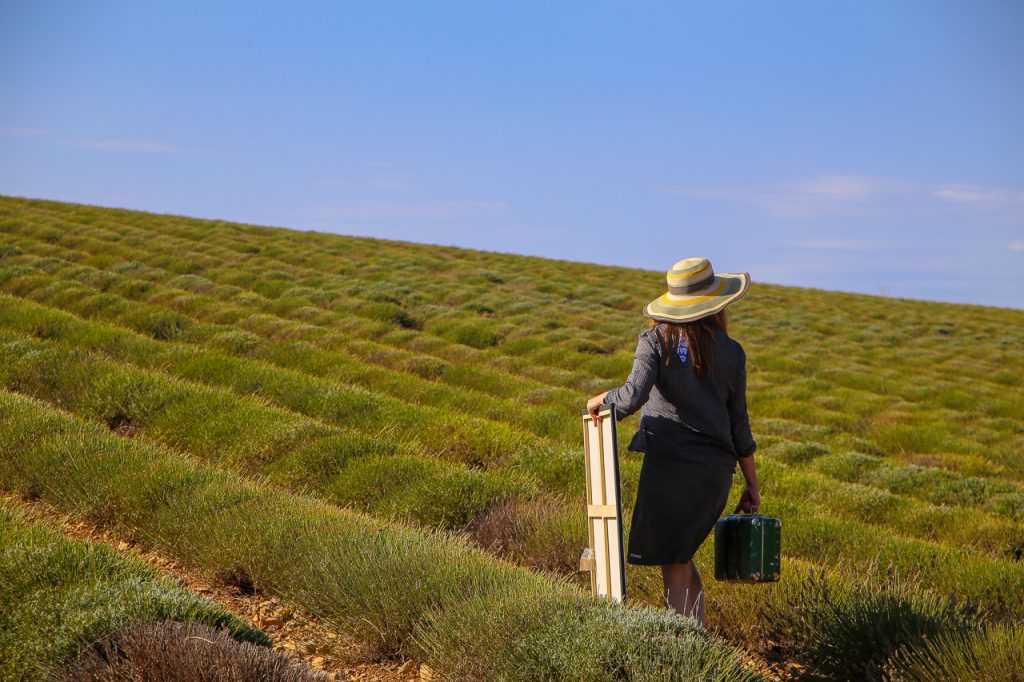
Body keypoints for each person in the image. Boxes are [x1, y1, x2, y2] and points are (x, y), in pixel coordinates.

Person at [586, 257, 759, 627]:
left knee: (675, 559)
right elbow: (739, 425)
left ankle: (683, 651)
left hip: (671, 468)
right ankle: (695, 642)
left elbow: (632, 397)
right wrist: (752, 484)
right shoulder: (733, 352)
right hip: (716, 474)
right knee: (682, 555)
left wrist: (601, 401)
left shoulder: (655, 339)